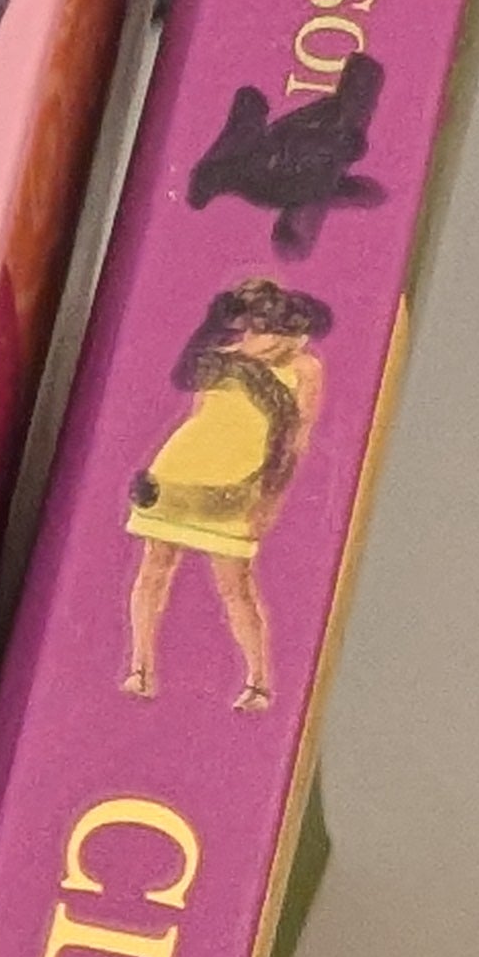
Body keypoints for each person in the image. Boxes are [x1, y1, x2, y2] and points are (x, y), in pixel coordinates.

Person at [120, 275, 332, 708]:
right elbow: (199, 415)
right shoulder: (221, 359)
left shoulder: (305, 369)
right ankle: (140, 668)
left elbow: (296, 440)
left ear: (287, 333)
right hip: (179, 474)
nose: (250, 338)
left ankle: (258, 681)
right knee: (155, 569)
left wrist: (270, 500)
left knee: (236, 585)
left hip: (238, 488)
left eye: (261, 329)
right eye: (247, 328)